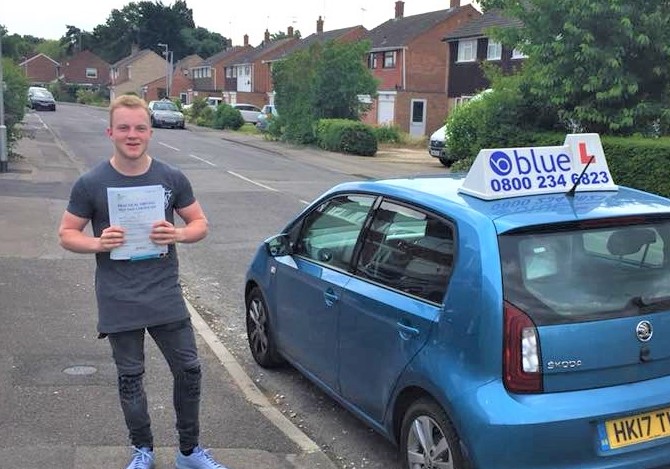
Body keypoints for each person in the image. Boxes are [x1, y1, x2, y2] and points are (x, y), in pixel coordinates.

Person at [58, 95, 227, 469]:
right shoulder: (91, 183)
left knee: (189, 370)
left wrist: (178, 235)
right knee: (131, 377)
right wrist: (97, 243)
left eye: (139, 128)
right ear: (110, 132)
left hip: (165, 294)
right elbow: (67, 233)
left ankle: (189, 452)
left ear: (149, 132)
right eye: (124, 128)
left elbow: (199, 224)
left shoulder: (171, 178)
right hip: (119, 298)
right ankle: (143, 450)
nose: (132, 135)